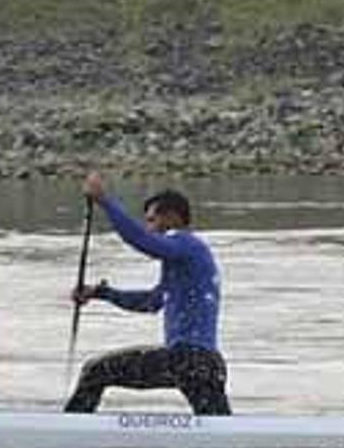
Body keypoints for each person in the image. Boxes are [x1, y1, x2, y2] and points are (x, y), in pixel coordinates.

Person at [65, 173, 229, 417]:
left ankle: (72, 429)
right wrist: (102, 293)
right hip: (205, 365)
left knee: (96, 371)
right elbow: (151, 302)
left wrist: (104, 201)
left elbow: (141, 241)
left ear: (172, 217)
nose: (148, 227)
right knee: (219, 430)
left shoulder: (185, 243)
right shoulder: (186, 260)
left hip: (188, 360)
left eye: (152, 220)